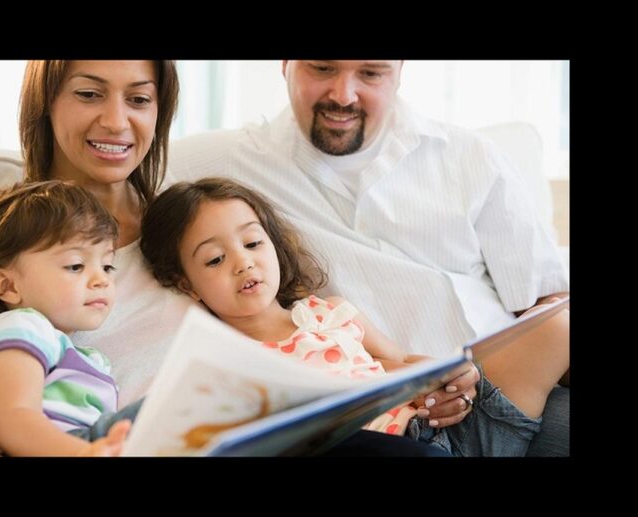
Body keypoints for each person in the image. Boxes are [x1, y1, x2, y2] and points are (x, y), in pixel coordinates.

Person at [0, 60, 446, 457]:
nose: (116, 121)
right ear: (46, 101)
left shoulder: (191, 230)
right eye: (89, 93)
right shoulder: (2, 238)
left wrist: (420, 383)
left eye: (139, 99)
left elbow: (293, 328)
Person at [167, 60, 570, 456]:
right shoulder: (221, 162)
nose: (343, 95)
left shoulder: (471, 156)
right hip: (387, 432)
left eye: (371, 72)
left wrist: (453, 379)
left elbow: (545, 302)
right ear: (286, 65)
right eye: (322, 68)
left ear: (399, 71)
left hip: (493, 393)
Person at [140, 177, 568, 455]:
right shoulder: (234, 362)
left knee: (556, 326)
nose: (243, 264)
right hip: (392, 448)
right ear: (187, 285)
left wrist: (449, 378)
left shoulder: (330, 313)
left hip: (450, 427)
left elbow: (401, 361)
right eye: (215, 260)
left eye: (253, 244)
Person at [0, 180, 136, 456]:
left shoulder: (88, 358)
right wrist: (83, 452)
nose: (101, 280)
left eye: (107, 266)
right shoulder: (22, 326)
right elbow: (13, 422)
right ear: (8, 286)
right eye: (75, 265)